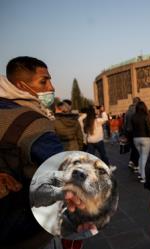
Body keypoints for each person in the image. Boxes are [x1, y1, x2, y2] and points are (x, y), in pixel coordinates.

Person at [0, 56, 85, 249]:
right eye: (43, 81)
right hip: (31, 232)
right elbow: (63, 174)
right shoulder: (33, 122)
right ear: (21, 85)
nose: (51, 87)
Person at [131, 101, 150, 183]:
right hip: (145, 137)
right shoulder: (146, 116)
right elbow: (149, 128)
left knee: (141, 156)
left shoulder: (133, 117)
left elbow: (132, 128)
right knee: (145, 157)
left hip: (136, 138)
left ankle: (140, 173)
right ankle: (144, 176)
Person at [124, 97, 141, 170]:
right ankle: (136, 163)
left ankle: (131, 161)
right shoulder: (137, 110)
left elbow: (125, 123)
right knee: (136, 148)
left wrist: (125, 133)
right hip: (135, 131)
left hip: (128, 131)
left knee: (133, 147)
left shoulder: (127, 111)